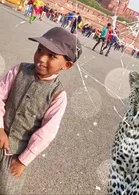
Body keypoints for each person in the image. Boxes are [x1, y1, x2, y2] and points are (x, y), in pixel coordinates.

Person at [0, 27, 82, 195]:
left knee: (7, 188)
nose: (42, 58)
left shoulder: (58, 96)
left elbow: (46, 133)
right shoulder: (19, 70)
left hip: (15, 152)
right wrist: (0, 128)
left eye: (52, 56)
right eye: (40, 50)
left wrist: (23, 160)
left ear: (67, 65)